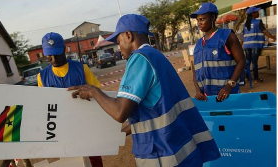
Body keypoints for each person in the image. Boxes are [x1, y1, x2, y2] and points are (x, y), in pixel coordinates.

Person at [68, 14, 220, 167]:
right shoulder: (156, 56)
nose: (119, 48)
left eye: (118, 41)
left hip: (162, 154)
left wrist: (94, 92)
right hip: (180, 149)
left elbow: (120, 112)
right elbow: (152, 114)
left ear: (128, 35)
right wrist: (116, 134)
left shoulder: (139, 59)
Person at [37, 32, 103, 167]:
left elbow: (99, 94)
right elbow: (44, 107)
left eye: (57, 53)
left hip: (86, 125)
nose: (54, 58)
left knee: (93, 159)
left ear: (64, 49)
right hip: (62, 129)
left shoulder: (81, 68)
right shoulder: (42, 77)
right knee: (71, 161)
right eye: (49, 54)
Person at [190, 3, 246, 101]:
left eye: (202, 19)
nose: (199, 23)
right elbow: (195, 69)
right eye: (197, 20)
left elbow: (241, 61)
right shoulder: (198, 43)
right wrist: (198, 90)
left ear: (212, 17)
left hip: (227, 96)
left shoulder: (227, 36)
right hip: (207, 99)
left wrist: (230, 85)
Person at [242, 6, 276, 84]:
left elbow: (243, 36)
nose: (258, 13)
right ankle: (256, 79)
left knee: (248, 62)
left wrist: (241, 44)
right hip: (255, 45)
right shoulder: (258, 22)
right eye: (256, 12)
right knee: (254, 62)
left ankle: (247, 77)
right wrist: (273, 38)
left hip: (247, 46)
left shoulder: (245, 24)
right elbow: (265, 31)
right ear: (253, 14)